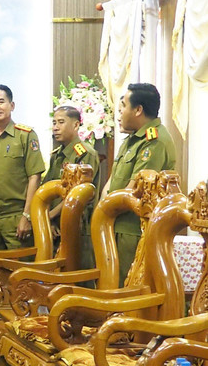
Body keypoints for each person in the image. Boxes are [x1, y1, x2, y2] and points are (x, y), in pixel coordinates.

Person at [104, 83, 175, 286]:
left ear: (138, 110)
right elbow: (112, 181)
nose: (120, 113)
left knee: (128, 287)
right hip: (115, 222)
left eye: (123, 107)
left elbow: (135, 190)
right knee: (110, 284)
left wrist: (106, 211)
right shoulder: (131, 139)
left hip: (133, 228)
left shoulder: (154, 140)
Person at [0, 84, 45, 251]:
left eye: (0, 102)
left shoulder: (25, 136)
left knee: (21, 273)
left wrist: (27, 216)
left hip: (17, 217)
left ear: (12, 105)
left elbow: (35, 176)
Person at [45, 106, 100, 269]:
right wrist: (51, 221)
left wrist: (50, 216)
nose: (55, 127)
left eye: (61, 122)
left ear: (76, 125)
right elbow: (48, 189)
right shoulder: (56, 155)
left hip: (78, 224)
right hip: (56, 225)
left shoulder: (84, 153)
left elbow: (77, 194)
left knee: (79, 275)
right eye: (54, 123)